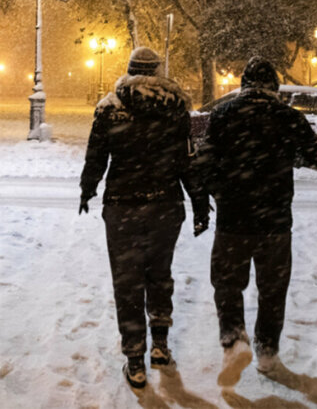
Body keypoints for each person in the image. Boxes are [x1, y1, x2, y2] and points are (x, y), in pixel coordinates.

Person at [195, 57, 317, 386]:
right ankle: (267, 353)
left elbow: (204, 162)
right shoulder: (287, 117)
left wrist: (218, 193)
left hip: (233, 220)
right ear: (274, 87)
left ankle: (233, 341)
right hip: (275, 222)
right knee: (272, 290)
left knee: (227, 284)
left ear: (243, 86)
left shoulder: (223, 115)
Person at [80, 47, 209, 389]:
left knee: (127, 282)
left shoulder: (110, 108)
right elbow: (187, 160)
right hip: (165, 206)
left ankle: (135, 359)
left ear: (130, 70)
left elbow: (96, 155)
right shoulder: (176, 107)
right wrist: (199, 202)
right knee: (159, 274)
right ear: (157, 71)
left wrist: (87, 189)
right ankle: (161, 346)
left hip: (123, 206)